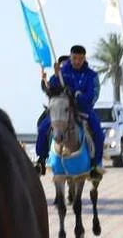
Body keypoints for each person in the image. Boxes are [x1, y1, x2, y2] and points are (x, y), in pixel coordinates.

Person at [34, 46, 105, 179]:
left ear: (84, 58)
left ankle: (95, 165)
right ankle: (41, 160)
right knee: (43, 128)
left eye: (80, 58)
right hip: (62, 110)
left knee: (98, 132)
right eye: (74, 58)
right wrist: (55, 76)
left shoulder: (91, 75)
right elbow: (52, 90)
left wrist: (79, 97)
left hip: (83, 110)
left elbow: (93, 95)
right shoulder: (63, 71)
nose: (77, 61)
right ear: (70, 57)